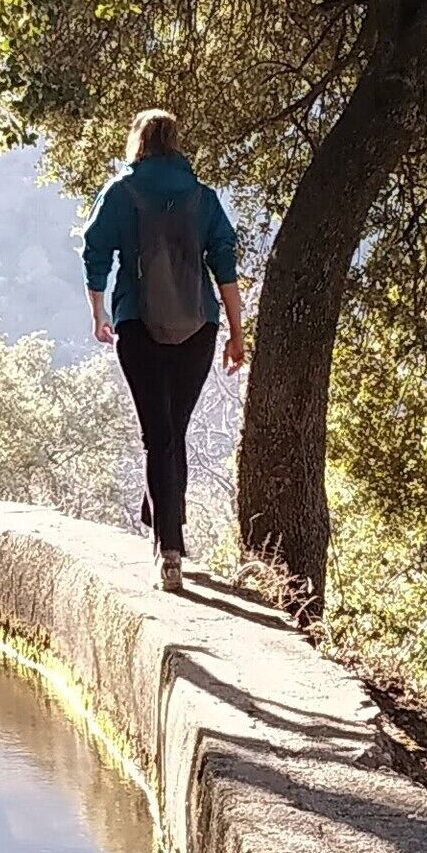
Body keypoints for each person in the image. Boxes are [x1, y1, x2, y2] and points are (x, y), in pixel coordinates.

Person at [83, 109, 245, 592]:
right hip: (199, 327)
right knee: (173, 430)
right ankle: (162, 515)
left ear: (137, 143)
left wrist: (98, 311)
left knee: (160, 435)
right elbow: (226, 267)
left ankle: (168, 550)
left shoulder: (121, 192)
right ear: (177, 144)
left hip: (137, 322)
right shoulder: (203, 198)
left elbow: (94, 251)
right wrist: (237, 333)